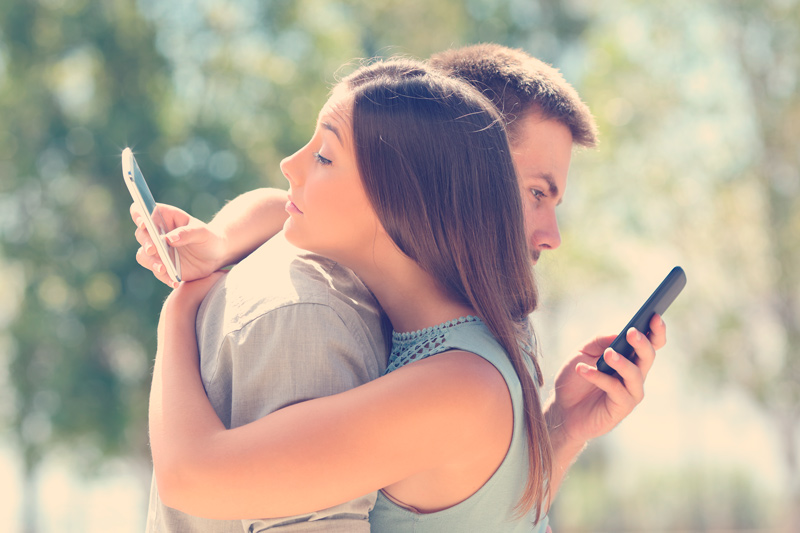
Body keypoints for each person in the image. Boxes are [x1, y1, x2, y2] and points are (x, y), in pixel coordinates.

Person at [134, 46, 666, 529]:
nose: (290, 166)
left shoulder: (455, 385)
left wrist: (179, 309)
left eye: (324, 156)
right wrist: (562, 431)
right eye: (534, 194)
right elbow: (489, 513)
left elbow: (191, 477)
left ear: (411, 187)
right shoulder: (485, 329)